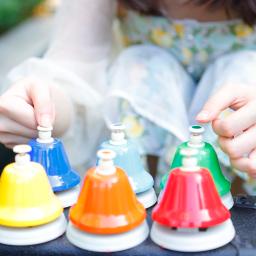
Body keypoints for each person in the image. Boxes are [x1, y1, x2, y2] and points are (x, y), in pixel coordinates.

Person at [1, 0, 256, 191]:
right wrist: (44, 110)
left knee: (246, 69)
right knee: (142, 64)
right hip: (145, 132)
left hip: (241, 166)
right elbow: (75, 70)